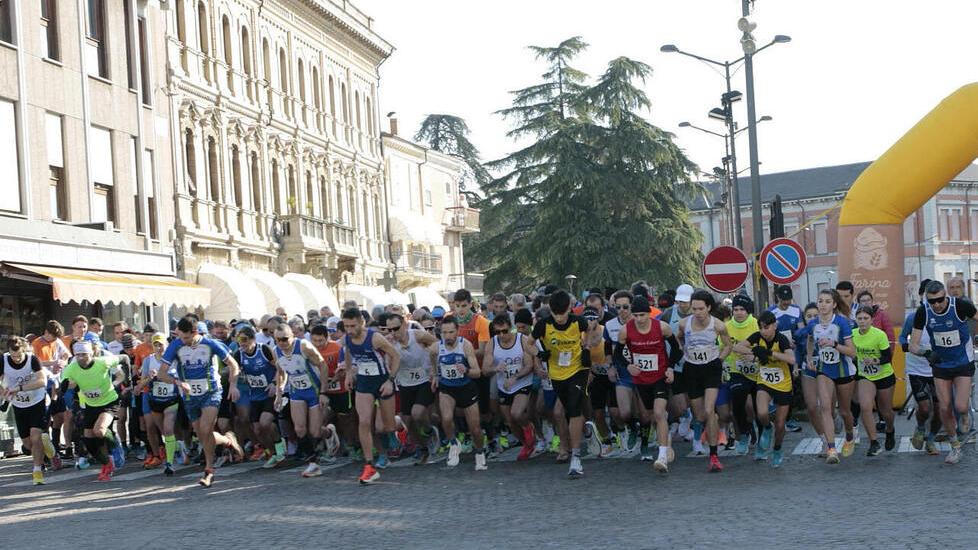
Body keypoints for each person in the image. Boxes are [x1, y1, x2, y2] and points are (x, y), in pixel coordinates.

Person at [156, 316, 244, 487]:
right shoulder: (176, 345)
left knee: (205, 429)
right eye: (181, 337)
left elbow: (233, 365)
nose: (184, 341)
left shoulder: (210, 344)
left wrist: (233, 386)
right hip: (189, 396)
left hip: (211, 392)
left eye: (187, 338)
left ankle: (209, 470)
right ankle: (228, 440)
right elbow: (162, 373)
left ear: (195, 332)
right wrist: (178, 383)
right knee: (202, 434)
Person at [909, 280, 978, 464]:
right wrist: (927, 352)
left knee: (961, 406)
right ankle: (955, 447)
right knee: (944, 406)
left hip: (963, 361)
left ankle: (964, 415)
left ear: (945, 296)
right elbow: (912, 345)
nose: (937, 305)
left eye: (940, 300)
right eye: (932, 301)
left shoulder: (961, 306)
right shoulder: (923, 311)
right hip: (940, 364)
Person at [617, 296, 682, 473]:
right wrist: (627, 365)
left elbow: (677, 349)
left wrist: (670, 368)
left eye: (643, 315)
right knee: (651, 415)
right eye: (636, 315)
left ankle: (661, 457)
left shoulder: (662, 327)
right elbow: (617, 355)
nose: (639, 319)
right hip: (641, 380)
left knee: (659, 413)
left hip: (660, 376)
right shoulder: (625, 331)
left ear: (649, 313)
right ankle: (665, 438)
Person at [531, 290, 590, 477]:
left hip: (578, 370)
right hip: (556, 374)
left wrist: (586, 347)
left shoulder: (578, 321)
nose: (559, 318)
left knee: (574, 408)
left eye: (562, 313)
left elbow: (590, 330)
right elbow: (528, 343)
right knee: (567, 410)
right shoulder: (543, 325)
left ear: (569, 309)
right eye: (555, 314)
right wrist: (539, 354)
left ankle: (576, 457)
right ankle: (583, 431)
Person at [341, 308, 402, 484]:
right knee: (365, 422)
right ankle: (369, 466)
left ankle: (400, 424)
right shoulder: (347, 338)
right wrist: (348, 374)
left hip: (382, 382)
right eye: (346, 326)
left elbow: (396, 356)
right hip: (364, 384)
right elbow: (347, 354)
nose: (350, 330)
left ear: (362, 322)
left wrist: (390, 380)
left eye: (353, 326)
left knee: (387, 426)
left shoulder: (375, 338)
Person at [677, 290, 731, 472]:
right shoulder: (684, 324)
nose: (697, 312)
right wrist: (683, 351)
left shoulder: (718, 325)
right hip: (692, 369)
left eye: (701, 309)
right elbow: (678, 339)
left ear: (709, 307)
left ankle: (714, 456)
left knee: (709, 410)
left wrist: (720, 359)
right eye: (694, 309)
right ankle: (711, 423)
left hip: (711, 369)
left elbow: (728, 345)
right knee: (701, 416)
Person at [60, 341, 126, 481]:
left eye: (84, 354)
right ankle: (107, 464)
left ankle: (115, 443)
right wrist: (65, 386)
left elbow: (124, 358)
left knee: (100, 430)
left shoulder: (102, 362)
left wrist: (124, 382)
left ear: (91, 353)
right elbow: (67, 383)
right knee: (88, 440)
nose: (81, 358)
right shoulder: (72, 367)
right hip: (90, 405)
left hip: (109, 402)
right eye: (78, 355)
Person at [806, 289, 858, 464]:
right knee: (825, 408)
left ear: (834, 304)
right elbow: (810, 340)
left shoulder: (842, 323)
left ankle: (850, 435)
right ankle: (832, 449)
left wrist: (834, 344)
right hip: (824, 369)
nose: (823, 305)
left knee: (844, 411)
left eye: (827, 301)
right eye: (820, 301)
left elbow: (852, 352)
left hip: (843, 370)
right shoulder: (813, 323)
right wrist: (809, 356)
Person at [737, 311, 795, 467]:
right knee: (761, 412)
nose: (763, 331)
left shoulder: (781, 339)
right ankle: (767, 428)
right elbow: (737, 347)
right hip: (764, 382)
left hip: (783, 384)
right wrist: (755, 351)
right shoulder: (757, 337)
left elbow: (791, 359)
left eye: (766, 327)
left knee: (781, 424)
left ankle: (777, 449)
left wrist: (770, 353)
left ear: (774, 326)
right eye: (761, 327)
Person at [430, 315, 487, 471]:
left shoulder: (465, 346)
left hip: (466, 388)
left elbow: (477, 372)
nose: (448, 336)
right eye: (444, 332)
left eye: (451, 332)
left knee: (474, 427)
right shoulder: (436, 348)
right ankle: (454, 444)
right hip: (447, 388)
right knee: (446, 419)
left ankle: (480, 452)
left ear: (457, 331)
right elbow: (433, 361)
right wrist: (435, 376)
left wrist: (466, 370)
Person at [272, 323, 329, 478]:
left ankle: (329, 432)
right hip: (296, 392)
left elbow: (323, 365)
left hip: (313, 391)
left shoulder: (303, 346)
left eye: (285, 339)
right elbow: (281, 372)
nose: (281, 343)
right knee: (299, 429)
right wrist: (279, 393)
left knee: (315, 431)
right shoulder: (276, 351)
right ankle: (313, 463)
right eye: (278, 339)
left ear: (293, 337)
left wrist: (323, 391)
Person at [385, 312, 440, 464]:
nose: (392, 333)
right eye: (388, 330)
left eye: (395, 328)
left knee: (417, 413)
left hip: (424, 380)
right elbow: (388, 365)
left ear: (404, 324)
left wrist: (435, 370)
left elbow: (438, 346)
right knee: (406, 421)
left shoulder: (418, 336)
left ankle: (430, 431)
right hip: (405, 384)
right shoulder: (389, 343)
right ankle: (423, 449)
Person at [1, 337, 56, 484]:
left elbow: (42, 381)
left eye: (19, 355)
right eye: (13, 356)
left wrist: (18, 388)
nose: (16, 359)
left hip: (36, 402)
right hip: (19, 405)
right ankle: (46, 448)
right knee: (27, 444)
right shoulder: (3, 360)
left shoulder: (32, 360)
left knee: (35, 437)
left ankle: (37, 471)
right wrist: (3, 391)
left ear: (24, 350)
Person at [231, 326, 287, 468]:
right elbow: (234, 371)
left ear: (253, 339)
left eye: (244, 340)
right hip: (255, 396)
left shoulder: (264, 350)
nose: (242, 343)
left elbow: (280, 369)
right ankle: (274, 453)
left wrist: (275, 384)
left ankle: (280, 446)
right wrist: (233, 386)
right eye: (239, 340)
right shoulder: (239, 354)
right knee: (257, 430)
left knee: (265, 422)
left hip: (269, 393)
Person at [483, 314, 536, 461]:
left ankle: (528, 427)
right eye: (497, 332)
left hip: (522, 382)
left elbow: (529, 365)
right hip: (504, 385)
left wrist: (515, 377)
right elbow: (485, 369)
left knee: (517, 413)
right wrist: (495, 368)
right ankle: (527, 445)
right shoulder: (492, 343)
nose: (501, 335)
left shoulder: (522, 340)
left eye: (504, 331)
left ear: (511, 328)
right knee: (510, 421)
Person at [900, 280, 941, 454]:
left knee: (940, 409)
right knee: (924, 407)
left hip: (939, 369)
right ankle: (921, 427)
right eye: (927, 297)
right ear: (922, 296)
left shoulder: (943, 315)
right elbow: (903, 338)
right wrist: (906, 346)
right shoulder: (914, 317)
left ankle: (931, 439)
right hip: (917, 369)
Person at [133, 333, 181, 475]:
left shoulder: (174, 360)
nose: (159, 347)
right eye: (156, 344)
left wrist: (170, 377)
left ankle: (170, 463)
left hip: (171, 399)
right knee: (154, 427)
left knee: (168, 429)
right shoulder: (148, 360)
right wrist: (149, 377)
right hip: (153, 399)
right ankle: (165, 451)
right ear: (152, 346)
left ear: (167, 345)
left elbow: (182, 378)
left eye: (161, 344)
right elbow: (141, 385)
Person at [852, 306, 896, 456]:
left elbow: (888, 357)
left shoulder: (879, 335)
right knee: (865, 406)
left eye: (866, 318)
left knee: (886, 412)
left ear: (871, 320)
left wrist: (875, 360)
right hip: (865, 376)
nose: (862, 322)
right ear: (855, 319)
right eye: (860, 318)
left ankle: (890, 430)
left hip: (884, 375)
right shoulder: (852, 335)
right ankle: (874, 442)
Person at [725, 295, 759, 455]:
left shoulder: (757, 324)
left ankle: (763, 431)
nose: (738, 313)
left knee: (759, 408)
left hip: (757, 371)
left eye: (742, 310)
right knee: (737, 402)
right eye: (735, 309)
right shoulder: (725, 326)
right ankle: (744, 434)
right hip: (736, 370)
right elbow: (721, 346)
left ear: (748, 311)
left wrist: (753, 355)